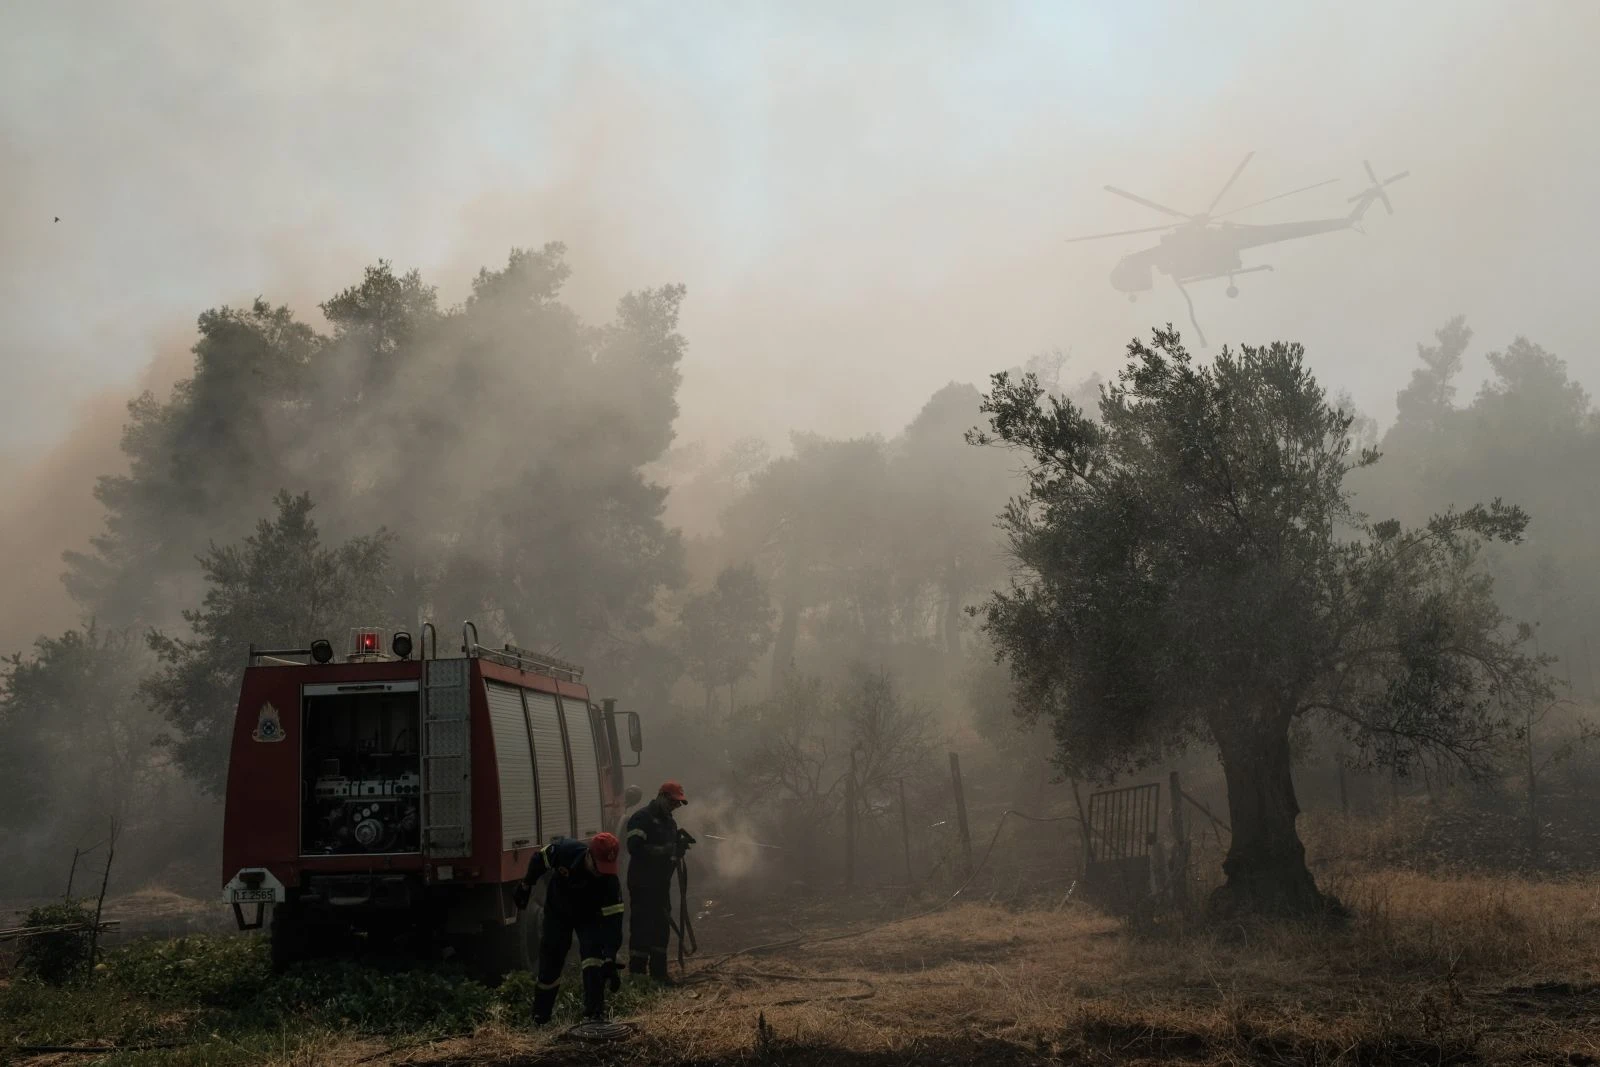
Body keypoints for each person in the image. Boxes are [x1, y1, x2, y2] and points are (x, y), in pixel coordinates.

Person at [512, 831, 625, 1025]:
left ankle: (594, 1015)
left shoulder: (610, 882)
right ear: (589, 855)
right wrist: (526, 885)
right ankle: (541, 1018)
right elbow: (539, 858)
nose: (600, 873)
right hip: (558, 913)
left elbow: (613, 921)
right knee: (551, 961)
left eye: (606, 869)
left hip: (589, 916)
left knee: (594, 959)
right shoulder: (565, 851)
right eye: (598, 867)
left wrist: (610, 957)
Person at [624, 779, 690, 982]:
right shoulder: (641, 818)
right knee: (642, 927)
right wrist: (665, 850)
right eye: (673, 801)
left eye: (678, 804)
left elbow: (669, 856)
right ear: (661, 796)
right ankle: (637, 975)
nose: (675, 806)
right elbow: (634, 847)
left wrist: (678, 851)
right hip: (642, 883)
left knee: (661, 928)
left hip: (661, 884)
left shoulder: (670, 822)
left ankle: (659, 974)